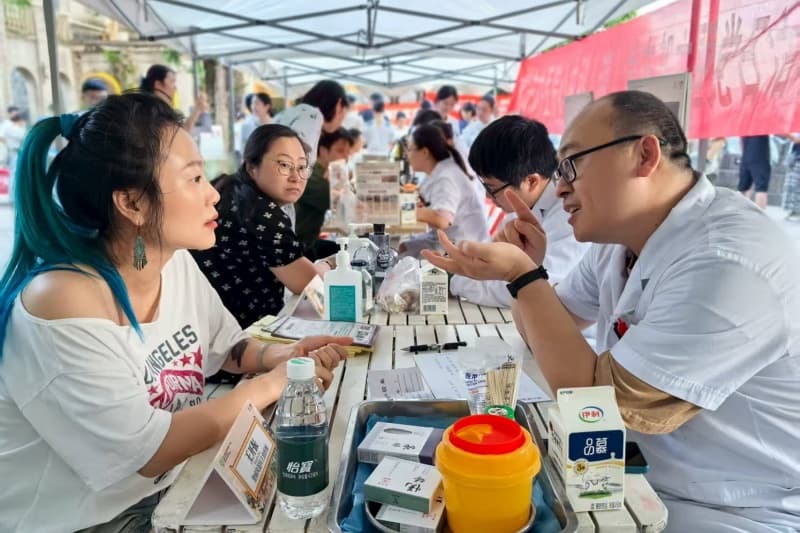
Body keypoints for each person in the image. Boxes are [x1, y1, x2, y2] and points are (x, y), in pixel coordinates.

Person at [423, 90, 800, 532]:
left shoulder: (725, 260)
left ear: (644, 155)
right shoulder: (621, 243)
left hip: (734, 507)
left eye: (571, 165)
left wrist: (525, 277)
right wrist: (523, 277)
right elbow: (545, 333)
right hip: (637, 474)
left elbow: (597, 400)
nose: (559, 185)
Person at [0, 93, 349, 532]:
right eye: (195, 178)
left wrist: (280, 357)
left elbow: (225, 349)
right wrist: (269, 385)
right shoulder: (62, 300)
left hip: (169, 488)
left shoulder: (173, 261)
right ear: (132, 203)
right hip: (93, 519)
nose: (213, 197)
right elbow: (147, 453)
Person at [192, 123, 333, 329]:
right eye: (284, 165)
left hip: (209, 324)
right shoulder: (261, 213)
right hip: (242, 336)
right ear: (251, 167)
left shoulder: (231, 189)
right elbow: (308, 285)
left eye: (302, 167)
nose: (296, 177)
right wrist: (331, 264)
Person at [450, 115, 589, 308]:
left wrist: (456, 281)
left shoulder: (569, 215)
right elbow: (496, 266)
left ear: (531, 181)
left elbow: (532, 288)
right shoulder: (522, 206)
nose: (488, 198)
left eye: (492, 189)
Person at [399, 124, 488, 258]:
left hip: (462, 247)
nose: (407, 156)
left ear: (424, 152)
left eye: (410, 150)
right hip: (450, 239)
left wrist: (404, 209)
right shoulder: (441, 171)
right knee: (403, 247)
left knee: (403, 254)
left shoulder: (446, 177)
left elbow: (442, 219)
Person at [296, 127, 353, 251]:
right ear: (323, 151)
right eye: (340, 151)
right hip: (298, 247)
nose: (346, 157)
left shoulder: (321, 172)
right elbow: (344, 205)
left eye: (348, 153)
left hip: (308, 241)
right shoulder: (312, 177)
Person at [273, 79, 348, 168]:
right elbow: (294, 158)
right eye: (345, 110)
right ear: (339, 105)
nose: (341, 121)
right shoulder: (313, 116)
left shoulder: (295, 112)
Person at [140, 64, 208, 132]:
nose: (175, 87)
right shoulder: (153, 110)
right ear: (158, 84)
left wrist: (197, 109)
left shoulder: (156, 108)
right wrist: (197, 109)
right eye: (172, 81)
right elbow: (179, 133)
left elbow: (180, 131)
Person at [737, 134, 772, 209]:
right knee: (761, 189)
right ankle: (760, 219)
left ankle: (739, 215)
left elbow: (740, 139)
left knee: (743, 189)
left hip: (746, 155)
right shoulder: (763, 123)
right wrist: (793, 138)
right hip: (760, 157)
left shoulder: (745, 123)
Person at [780, 133, 800, 220]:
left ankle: (797, 211)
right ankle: (794, 211)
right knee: (792, 186)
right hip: (795, 158)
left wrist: (786, 133)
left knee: (796, 186)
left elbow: (797, 139)